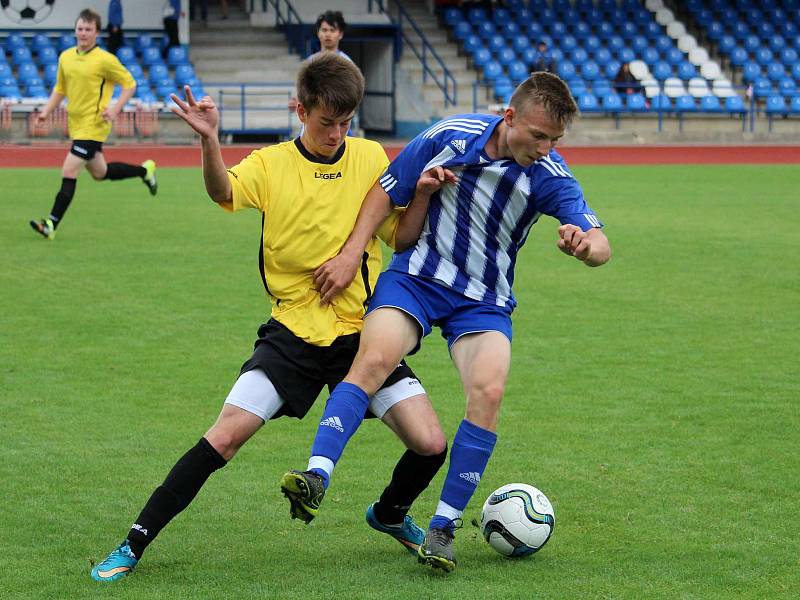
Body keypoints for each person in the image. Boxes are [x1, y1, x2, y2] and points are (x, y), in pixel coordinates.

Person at [90, 53, 447, 583]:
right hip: (293, 333)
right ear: (299, 109)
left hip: (363, 336)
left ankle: (389, 514)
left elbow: (401, 237)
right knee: (225, 436)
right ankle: (133, 542)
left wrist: (418, 196)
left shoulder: (372, 157)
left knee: (431, 443)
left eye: (346, 122)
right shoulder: (271, 163)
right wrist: (210, 140)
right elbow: (222, 191)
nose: (336, 132)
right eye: (327, 121)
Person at [281, 71, 612, 573]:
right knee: (372, 358)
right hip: (417, 278)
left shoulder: (549, 175)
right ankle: (317, 475)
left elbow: (600, 245)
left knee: (489, 393)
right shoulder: (450, 136)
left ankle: (443, 526)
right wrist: (352, 254)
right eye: (539, 135)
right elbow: (383, 192)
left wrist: (585, 247)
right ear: (509, 117)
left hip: (483, 301)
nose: (546, 148)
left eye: (555, 140)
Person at [29, 8, 157, 240]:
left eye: (88, 29)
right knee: (100, 172)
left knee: (69, 170)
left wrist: (116, 108)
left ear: (97, 33)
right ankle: (144, 171)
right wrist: (46, 111)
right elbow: (60, 89)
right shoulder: (65, 57)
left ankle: (51, 224)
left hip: (94, 125)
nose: (83, 33)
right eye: (80, 28)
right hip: (76, 124)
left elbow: (130, 84)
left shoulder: (105, 60)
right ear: (75, 30)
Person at [288, 11, 352, 114]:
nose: (328, 34)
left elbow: (350, 97)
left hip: (336, 121)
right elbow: (303, 92)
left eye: (332, 30)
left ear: (340, 34)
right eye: (324, 30)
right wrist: (296, 101)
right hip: (313, 121)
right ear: (318, 32)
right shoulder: (310, 62)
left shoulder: (347, 63)